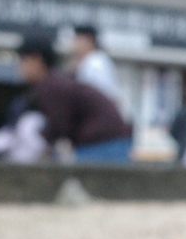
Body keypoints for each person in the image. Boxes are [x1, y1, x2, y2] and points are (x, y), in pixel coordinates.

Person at [17, 34, 134, 163]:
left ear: (36, 60)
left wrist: (39, 141)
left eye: (23, 60)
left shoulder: (50, 86)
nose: (20, 68)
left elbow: (59, 125)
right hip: (110, 141)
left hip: (103, 144)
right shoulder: (57, 81)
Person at [71, 25, 122, 106]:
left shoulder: (96, 63)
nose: (75, 44)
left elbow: (105, 94)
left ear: (90, 41)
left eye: (79, 40)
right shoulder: (87, 61)